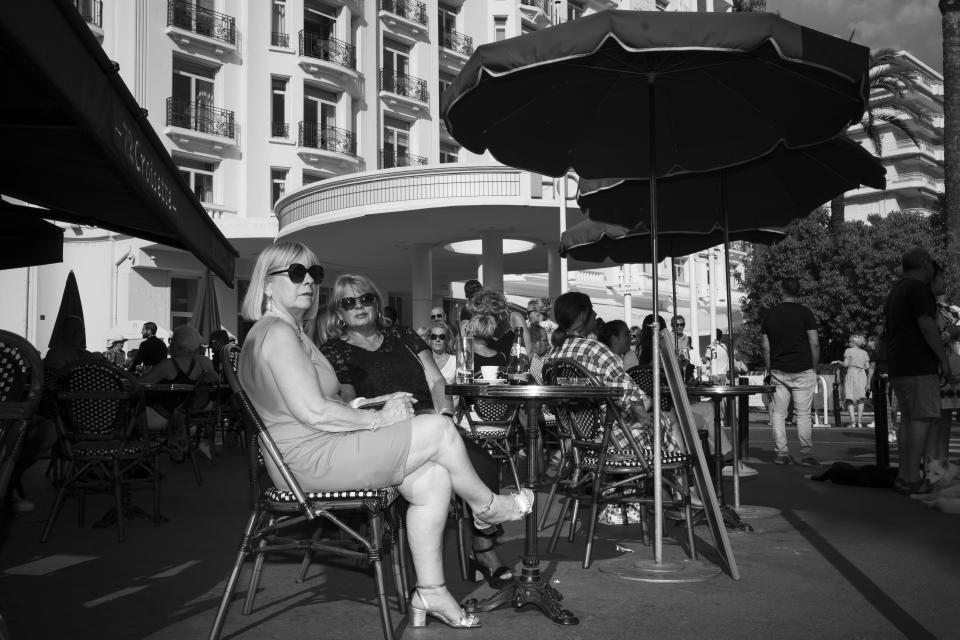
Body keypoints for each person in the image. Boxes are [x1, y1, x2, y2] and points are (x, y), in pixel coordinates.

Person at [316, 271, 530, 598]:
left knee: (484, 461)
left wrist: (444, 414)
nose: (358, 306)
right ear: (339, 312)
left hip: (432, 419)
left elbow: (436, 381)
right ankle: (429, 570)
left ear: (376, 302)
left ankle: (483, 549)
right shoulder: (336, 350)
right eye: (348, 302)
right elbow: (348, 399)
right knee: (423, 474)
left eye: (365, 298)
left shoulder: (403, 336)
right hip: (385, 432)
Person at [884, 248, 951, 494]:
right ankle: (912, 477)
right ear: (924, 264)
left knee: (909, 420)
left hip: (899, 364)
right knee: (921, 419)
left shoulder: (897, 290)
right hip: (918, 364)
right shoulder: (918, 289)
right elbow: (926, 324)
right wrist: (942, 360)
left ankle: (904, 474)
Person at [761, 276, 821, 467]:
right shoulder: (805, 313)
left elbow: (765, 346)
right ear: (799, 292)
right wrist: (815, 365)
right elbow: (814, 342)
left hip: (779, 369)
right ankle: (807, 455)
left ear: (782, 290)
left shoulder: (770, 314)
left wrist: (769, 367)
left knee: (778, 414)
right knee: (803, 414)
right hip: (803, 368)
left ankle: (781, 453)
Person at [139, 324, 220, 460]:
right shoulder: (204, 362)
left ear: (178, 344)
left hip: (164, 417)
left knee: (126, 414)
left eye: (172, 341)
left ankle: (137, 457)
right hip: (187, 416)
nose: (170, 344)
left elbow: (139, 385)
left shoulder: (169, 365)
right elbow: (215, 380)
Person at [467, 289, 530, 358]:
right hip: (485, 367)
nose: (484, 320)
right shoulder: (479, 324)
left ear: (497, 312)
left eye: (486, 315)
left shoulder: (515, 318)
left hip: (511, 367)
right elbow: (468, 354)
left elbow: (529, 351)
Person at [840, 335, 870, 428]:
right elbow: (868, 367)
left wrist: (838, 361)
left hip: (851, 373)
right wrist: (860, 366)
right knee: (861, 399)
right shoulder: (865, 352)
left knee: (850, 398)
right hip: (862, 374)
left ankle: (853, 421)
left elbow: (845, 364)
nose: (849, 342)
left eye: (850, 341)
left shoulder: (848, 351)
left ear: (853, 342)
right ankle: (860, 422)